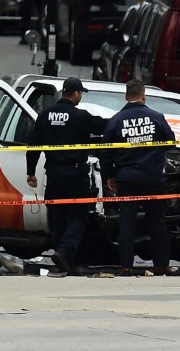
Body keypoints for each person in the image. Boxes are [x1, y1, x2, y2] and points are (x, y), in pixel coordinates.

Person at [26, 77, 107, 275]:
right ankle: (65, 251)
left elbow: (33, 145)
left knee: (59, 217)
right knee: (79, 216)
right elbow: (104, 127)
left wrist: (30, 171)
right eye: (81, 94)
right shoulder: (80, 116)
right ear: (76, 93)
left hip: (53, 173)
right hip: (75, 172)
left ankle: (65, 261)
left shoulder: (45, 115)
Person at [100, 79, 177, 276]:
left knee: (127, 222)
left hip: (127, 178)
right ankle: (161, 265)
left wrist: (109, 176)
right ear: (144, 95)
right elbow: (171, 143)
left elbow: (106, 152)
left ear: (126, 96)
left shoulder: (116, 120)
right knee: (157, 222)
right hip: (153, 178)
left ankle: (126, 266)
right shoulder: (156, 117)